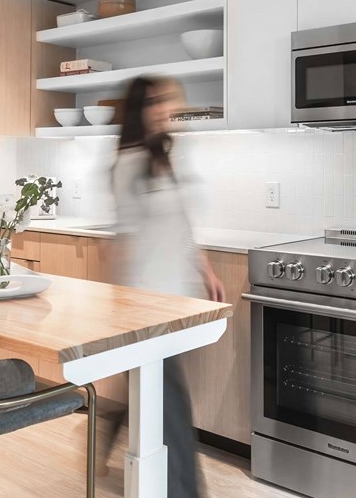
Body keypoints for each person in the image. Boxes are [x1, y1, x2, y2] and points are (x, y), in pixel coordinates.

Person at [103, 75, 226, 497]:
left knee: (151, 390)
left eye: (165, 101)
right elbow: (123, 238)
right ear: (138, 111)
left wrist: (206, 270)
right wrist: (120, 304)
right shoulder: (127, 164)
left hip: (176, 298)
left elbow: (183, 225)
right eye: (152, 103)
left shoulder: (168, 156)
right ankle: (184, 489)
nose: (162, 109)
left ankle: (111, 435)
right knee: (169, 399)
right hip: (145, 300)